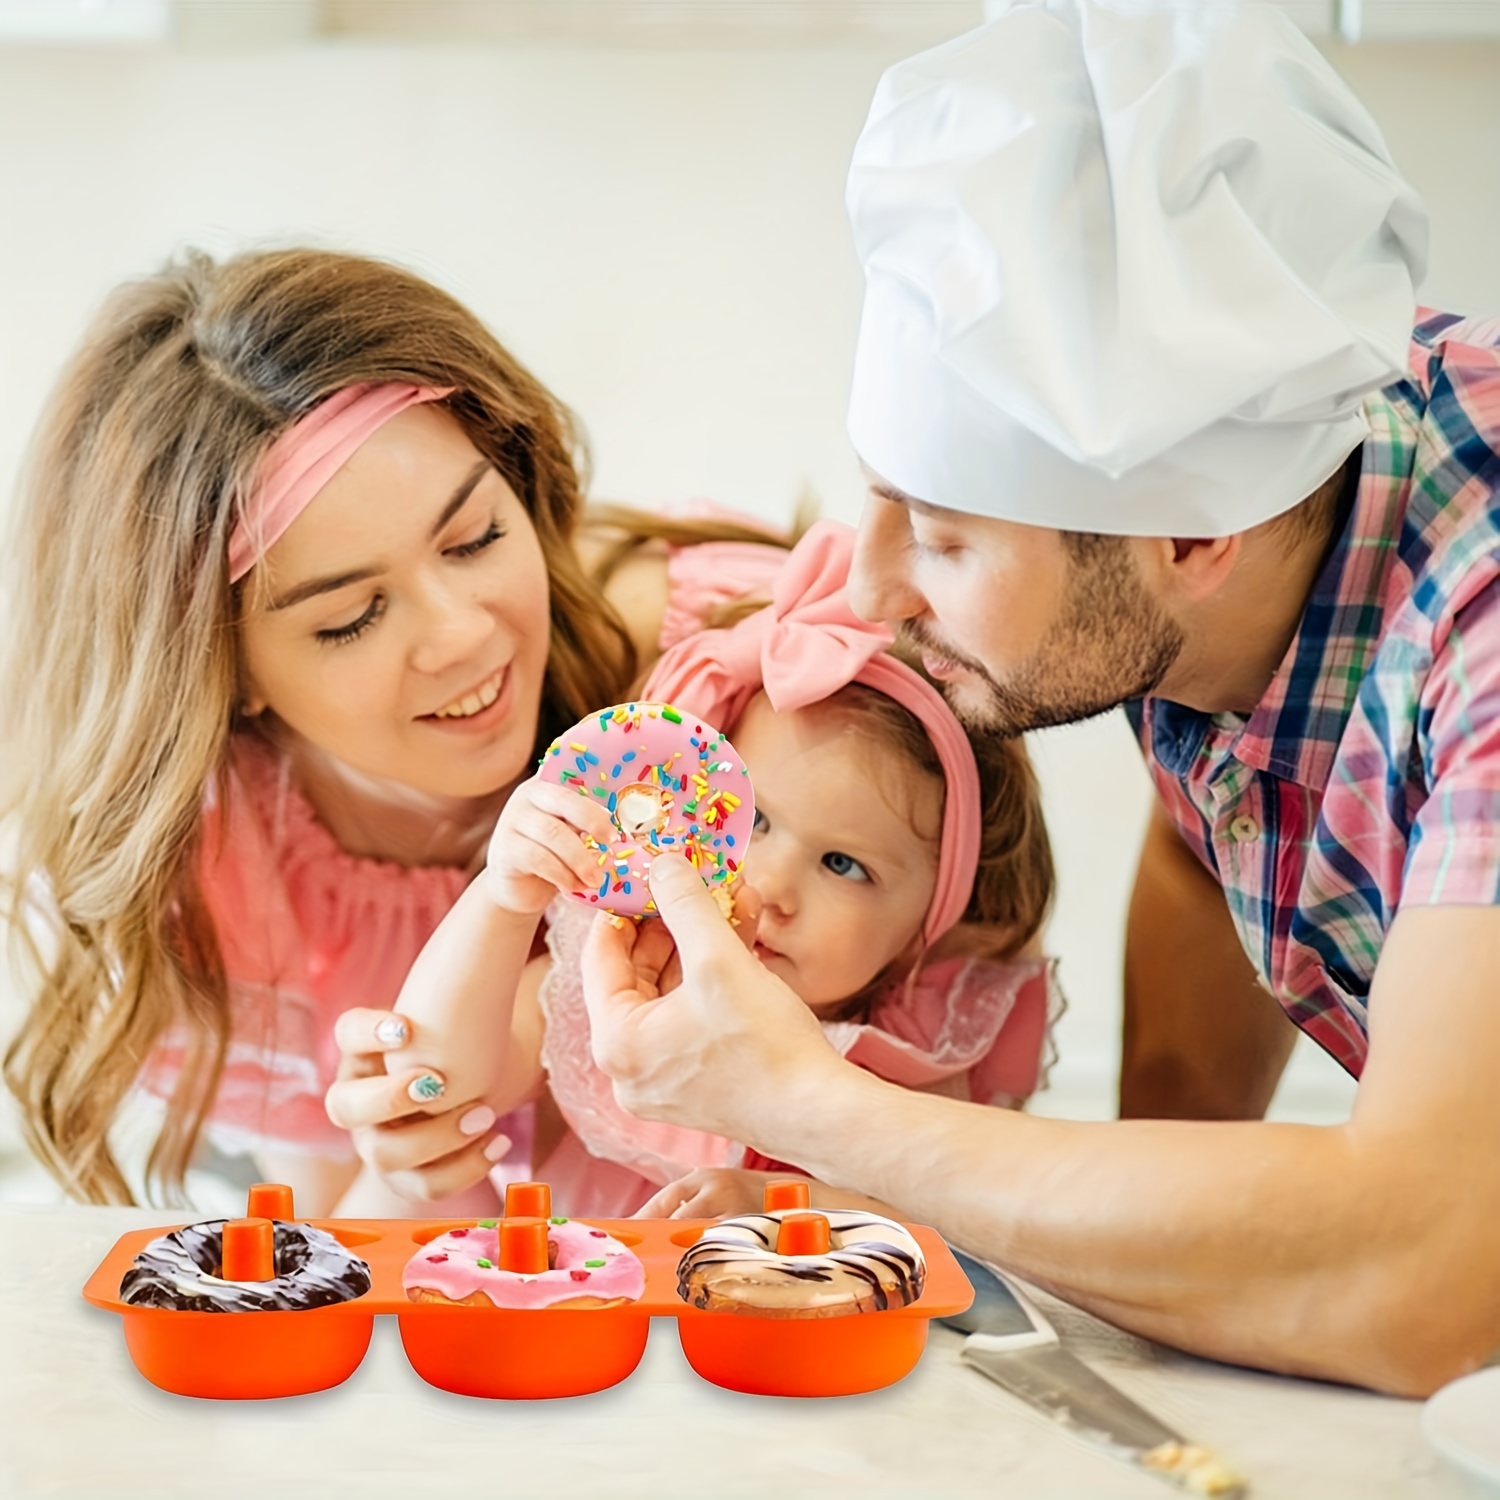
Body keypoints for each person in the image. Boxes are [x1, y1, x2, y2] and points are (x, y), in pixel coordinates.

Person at [575, 0, 1500, 1397]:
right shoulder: (1255, 447)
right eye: (885, 502)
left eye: (946, 535)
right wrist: (1157, 1230)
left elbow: (1428, 1277)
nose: (873, 588)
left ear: (1193, 542)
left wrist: (796, 1101)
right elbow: (1216, 842)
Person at [0, 245, 790, 1214]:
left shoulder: (733, 669)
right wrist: (405, 1169)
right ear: (225, 675)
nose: (459, 637)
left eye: (474, 540)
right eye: (350, 618)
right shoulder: (220, 866)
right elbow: (343, 1227)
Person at [342, 519, 1057, 1217]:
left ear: (925, 923)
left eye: (843, 864)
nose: (768, 885)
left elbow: (940, 1217)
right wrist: (501, 900)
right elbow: (447, 1085)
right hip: (580, 1323)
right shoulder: (607, 982)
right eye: (755, 820)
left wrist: (788, 1205)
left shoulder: (909, 1055)